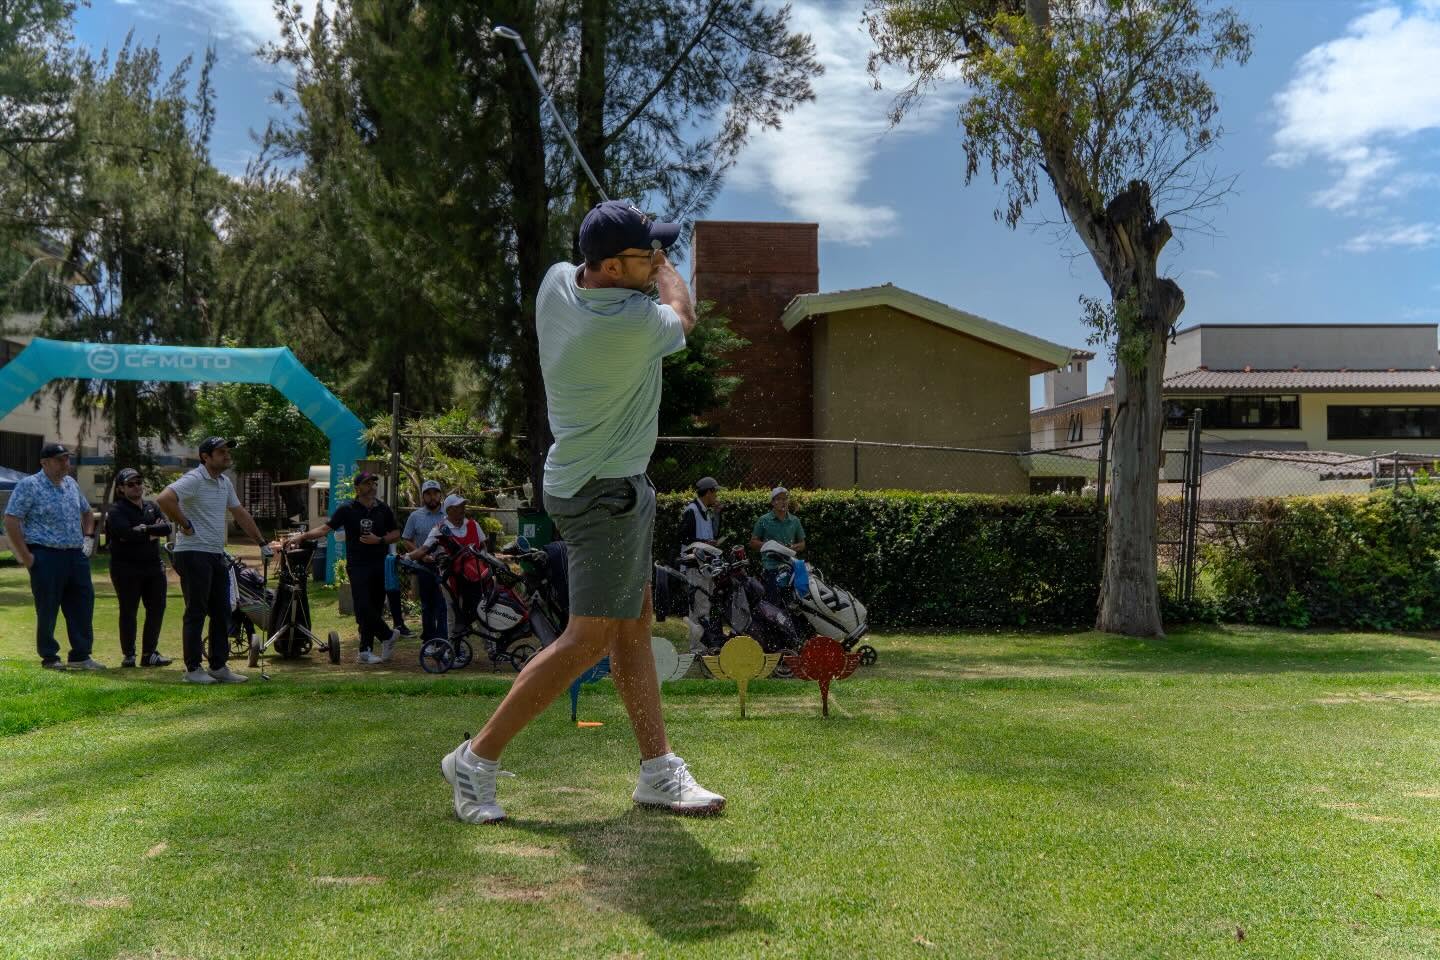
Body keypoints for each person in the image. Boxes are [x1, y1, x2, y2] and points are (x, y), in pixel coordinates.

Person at [441, 200, 724, 824]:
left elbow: (587, 267)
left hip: (600, 484)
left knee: (630, 628)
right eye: (644, 253)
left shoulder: (555, 286)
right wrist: (668, 269)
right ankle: (474, 759)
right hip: (603, 493)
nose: (655, 258)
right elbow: (686, 313)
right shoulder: (627, 325)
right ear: (617, 267)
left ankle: (657, 771)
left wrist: (633, 256)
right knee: (589, 638)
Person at [157, 437, 271, 685]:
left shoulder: (224, 482)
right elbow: (164, 498)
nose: (226, 455)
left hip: (215, 554)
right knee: (196, 611)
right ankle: (193, 669)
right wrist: (185, 524)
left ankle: (218, 666)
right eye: (221, 452)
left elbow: (239, 513)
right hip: (193, 553)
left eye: (227, 451)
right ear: (205, 457)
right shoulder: (195, 479)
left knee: (222, 611)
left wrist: (261, 542)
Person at [2, 443, 105, 670]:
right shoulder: (29, 485)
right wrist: (24, 555)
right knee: (48, 607)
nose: (65, 464)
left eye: (67, 459)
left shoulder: (71, 484)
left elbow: (87, 513)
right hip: (45, 554)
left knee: (82, 604)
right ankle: (50, 656)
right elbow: (11, 520)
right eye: (60, 460)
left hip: (75, 555)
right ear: (44, 462)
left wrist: (88, 539)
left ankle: (81, 655)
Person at [287, 471, 400, 664]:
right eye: (367, 483)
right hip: (357, 564)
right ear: (357, 488)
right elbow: (325, 529)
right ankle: (387, 635)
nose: (372, 486)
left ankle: (365, 651)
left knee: (374, 607)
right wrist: (303, 536)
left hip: (379, 563)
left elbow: (396, 533)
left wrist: (379, 540)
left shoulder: (383, 509)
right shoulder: (347, 509)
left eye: (373, 483)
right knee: (363, 605)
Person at [105, 467, 173, 668]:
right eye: (130, 484)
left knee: (156, 609)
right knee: (128, 611)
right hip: (125, 568)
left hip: (153, 567)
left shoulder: (151, 506)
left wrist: (144, 530)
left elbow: (167, 528)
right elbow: (124, 533)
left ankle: (149, 654)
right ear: (121, 489)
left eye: (138, 483)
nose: (136, 487)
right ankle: (129, 655)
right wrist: (151, 532)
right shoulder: (116, 510)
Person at [400, 480, 448, 641]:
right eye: (428, 494)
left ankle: (442, 639)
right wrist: (419, 554)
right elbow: (406, 539)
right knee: (427, 604)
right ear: (423, 496)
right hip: (423, 566)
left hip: (446, 565)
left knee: (444, 604)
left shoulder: (449, 515)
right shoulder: (415, 516)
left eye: (435, 493)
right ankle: (428, 639)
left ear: (440, 495)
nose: (432, 497)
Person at [751, 486, 806, 604]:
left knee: (792, 604)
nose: (783, 502)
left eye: (785, 498)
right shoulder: (763, 520)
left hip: (791, 568)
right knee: (773, 604)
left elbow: (802, 544)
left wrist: (792, 548)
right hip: (771, 568)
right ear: (772, 502)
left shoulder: (794, 520)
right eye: (779, 499)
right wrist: (771, 545)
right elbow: (753, 543)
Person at [678, 476, 721, 547]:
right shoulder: (692, 510)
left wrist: (717, 513)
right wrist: (705, 543)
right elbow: (684, 538)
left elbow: (714, 534)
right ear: (708, 492)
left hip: (705, 556)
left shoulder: (706, 510)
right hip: (692, 557)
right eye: (715, 492)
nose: (716, 495)